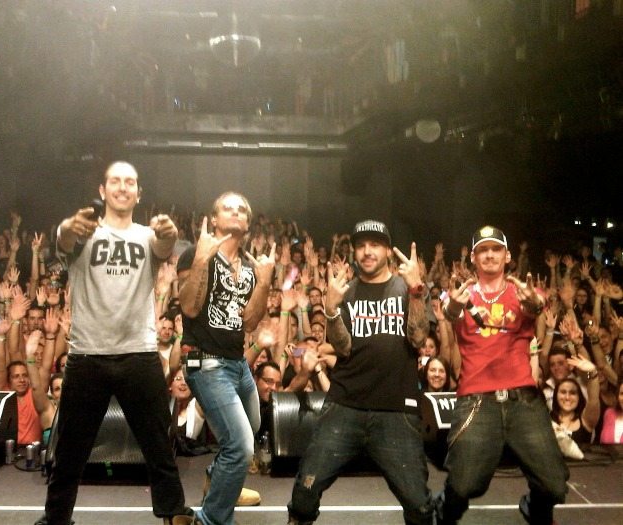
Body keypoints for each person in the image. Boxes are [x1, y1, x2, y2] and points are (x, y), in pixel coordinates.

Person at [36, 161, 192, 525]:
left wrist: (170, 232)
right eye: (115, 181)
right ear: (103, 191)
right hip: (87, 355)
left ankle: (173, 513)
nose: (123, 187)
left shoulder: (148, 236)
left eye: (130, 182)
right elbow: (63, 240)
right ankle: (56, 518)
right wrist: (66, 227)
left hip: (138, 353)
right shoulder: (83, 234)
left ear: (139, 194)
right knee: (70, 449)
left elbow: (165, 244)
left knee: (158, 445)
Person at [287, 219, 434, 525]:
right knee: (304, 491)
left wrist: (416, 291)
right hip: (345, 404)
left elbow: (419, 338)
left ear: (388, 251)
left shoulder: (408, 288)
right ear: (354, 252)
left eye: (375, 245)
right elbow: (343, 348)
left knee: (419, 505)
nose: (368, 251)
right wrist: (331, 309)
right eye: (361, 246)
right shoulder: (345, 291)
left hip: (397, 409)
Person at [435, 226, 568, 525]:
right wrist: (453, 306)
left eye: (496, 249)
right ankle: (442, 513)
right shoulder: (460, 294)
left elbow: (536, 306)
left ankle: (535, 511)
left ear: (507, 256)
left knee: (554, 485)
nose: (490, 255)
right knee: (464, 485)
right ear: (473, 257)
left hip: (524, 398)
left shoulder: (524, 291)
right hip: (476, 399)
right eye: (483, 250)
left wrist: (533, 304)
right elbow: (449, 310)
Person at [179, 191, 275, 525]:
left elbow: (249, 321)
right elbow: (189, 307)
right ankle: (212, 519)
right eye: (227, 208)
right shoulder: (195, 253)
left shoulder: (249, 267)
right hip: (204, 361)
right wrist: (201, 260)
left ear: (247, 223)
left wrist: (264, 283)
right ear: (214, 219)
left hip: (237, 363)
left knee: (252, 427)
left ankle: (217, 480)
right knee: (240, 445)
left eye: (241, 210)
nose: (235, 213)